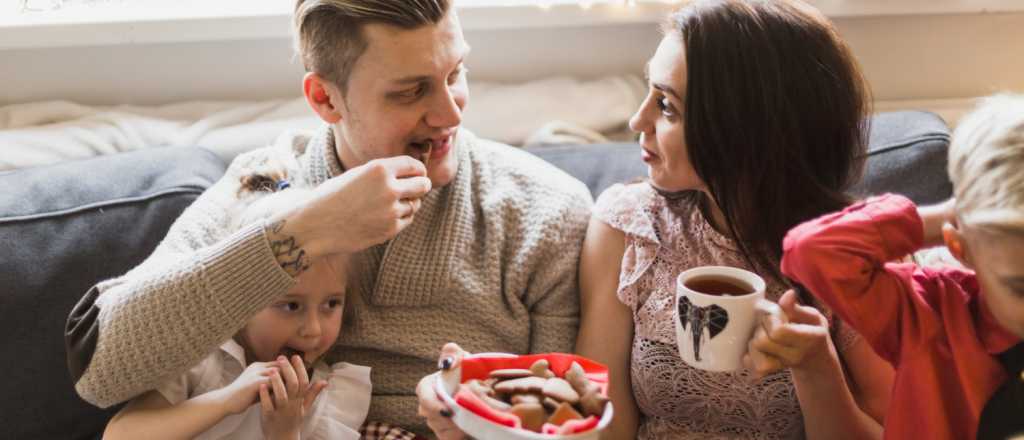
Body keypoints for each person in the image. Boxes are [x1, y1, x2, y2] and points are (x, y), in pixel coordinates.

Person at [65, 0, 592, 436]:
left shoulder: (546, 213)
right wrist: (305, 229)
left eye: (455, 73)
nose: (451, 113)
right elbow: (100, 372)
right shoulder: (265, 183)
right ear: (325, 99)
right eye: (411, 91)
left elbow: (565, 418)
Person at [573, 1, 894, 438]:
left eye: (667, 106)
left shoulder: (848, 254)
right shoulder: (628, 227)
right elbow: (604, 421)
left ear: (744, 128)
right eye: (651, 93)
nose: (637, 120)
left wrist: (817, 370)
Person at [780, 94, 1024, 440]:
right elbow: (811, 251)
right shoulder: (929, 314)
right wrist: (950, 217)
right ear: (961, 249)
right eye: (1021, 288)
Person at [103, 154, 372, 440]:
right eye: (292, 306)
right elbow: (118, 435)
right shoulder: (204, 360)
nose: (314, 329)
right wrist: (227, 400)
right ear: (240, 299)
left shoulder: (326, 396)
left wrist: (285, 431)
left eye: (331, 304)